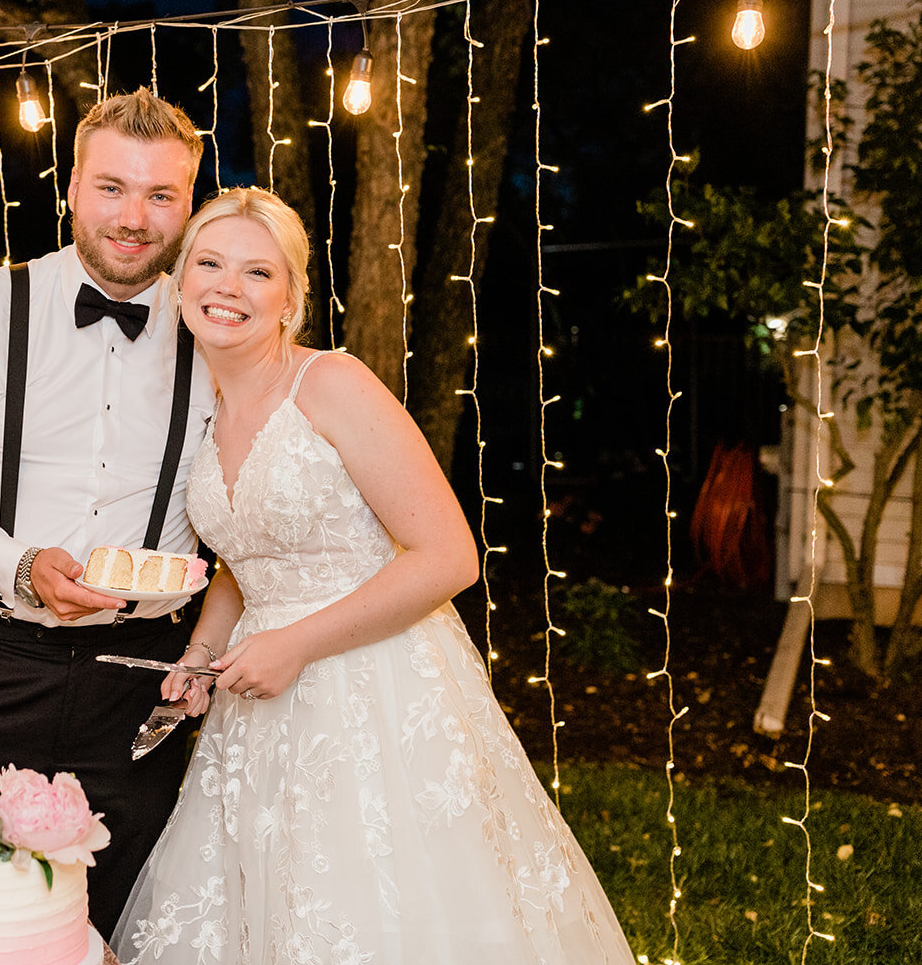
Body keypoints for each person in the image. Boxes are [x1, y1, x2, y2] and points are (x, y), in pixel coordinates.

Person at [112, 188, 638, 964]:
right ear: (181, 280)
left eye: (258, 272)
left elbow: (450, 556)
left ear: (290, 297)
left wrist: (295, 643)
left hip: (374, 684)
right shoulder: (208, 407)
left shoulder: (332, 384)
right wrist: (199, 654)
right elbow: (243, 558)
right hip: (258, 695)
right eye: (210, 263)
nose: (227, 286)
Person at [0, 87, 216, 935]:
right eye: (112, 188)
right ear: (70, 186)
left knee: (120, 927)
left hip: (143, 685)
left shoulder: (217, 328)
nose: (134, 217)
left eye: (161, 195)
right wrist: (15, 566)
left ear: (189, 205)